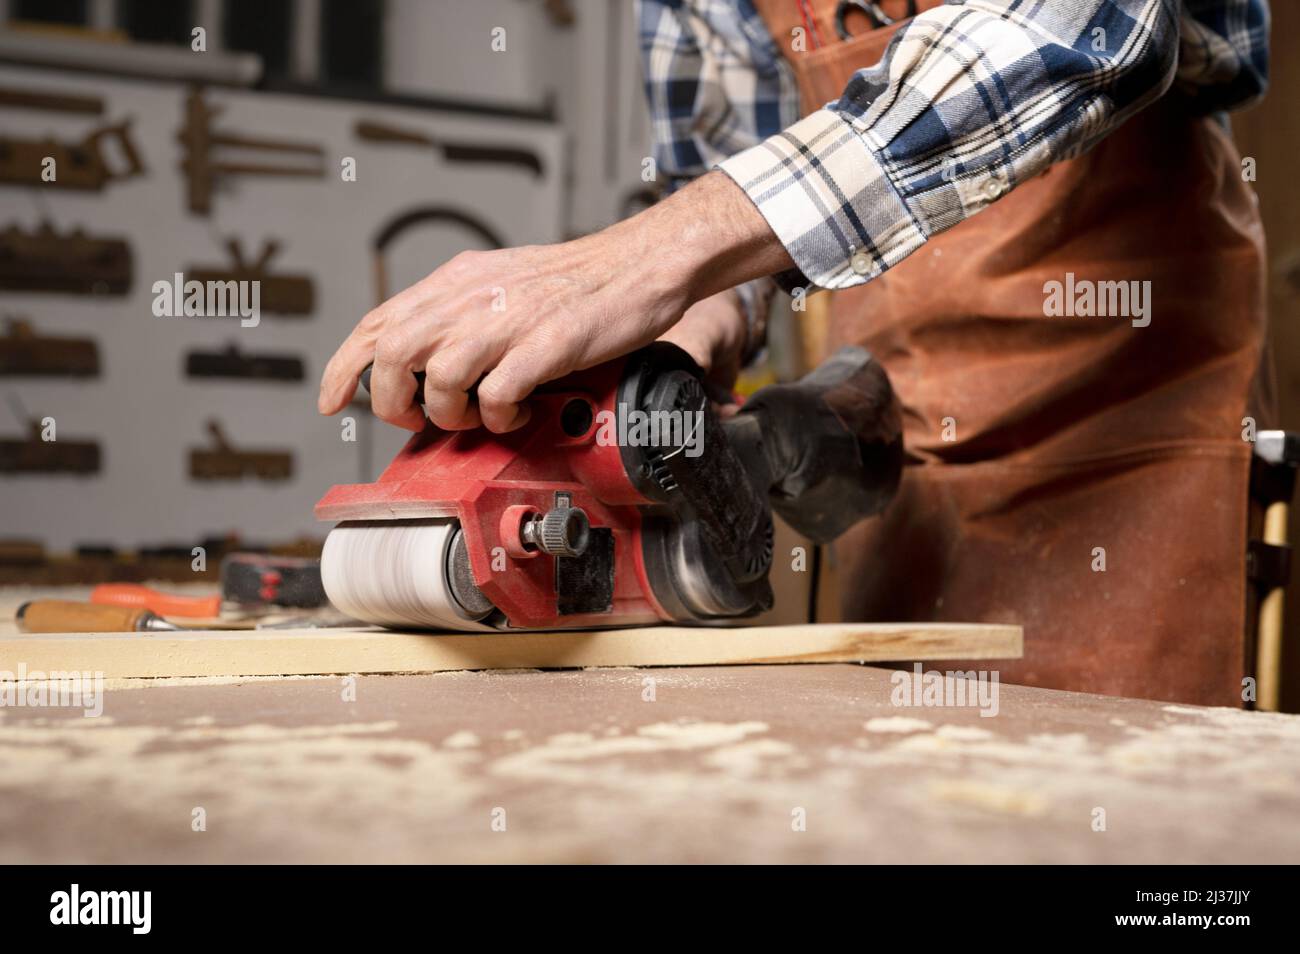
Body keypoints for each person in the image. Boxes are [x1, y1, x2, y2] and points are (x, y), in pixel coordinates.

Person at [319, 0, 1271, 706]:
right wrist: (682, 340)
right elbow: (733, 178)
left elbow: (1077, 30)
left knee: (1114, 816)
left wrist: (637, 258)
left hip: (1122, 425)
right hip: (890, 443)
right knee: (904, 799)